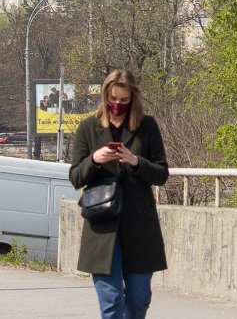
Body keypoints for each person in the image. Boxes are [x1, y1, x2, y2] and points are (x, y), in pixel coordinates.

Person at [69, 70, 169, 319]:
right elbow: (75, 177)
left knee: (138, 301)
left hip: (139, 226)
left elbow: (161, 174)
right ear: (105, 96)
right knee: (111, 302)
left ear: (133, 98)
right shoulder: (88, 128)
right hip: (102, 228)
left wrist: (135, 161)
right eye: (113, 99)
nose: (117, 105)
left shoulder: (147, 126)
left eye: (124, 101)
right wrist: (95, 159)